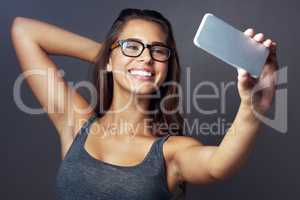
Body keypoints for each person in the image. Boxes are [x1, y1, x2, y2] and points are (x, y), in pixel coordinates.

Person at [11, 8, 279, 200]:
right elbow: (24, 31)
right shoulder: (76, 124)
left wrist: (252, 107)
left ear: (167, 63)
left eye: (157, 50)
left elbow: (218, 165)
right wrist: (119, 60)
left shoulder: (170, 152)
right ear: (108, 57)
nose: (146, 58)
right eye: (132, 45)